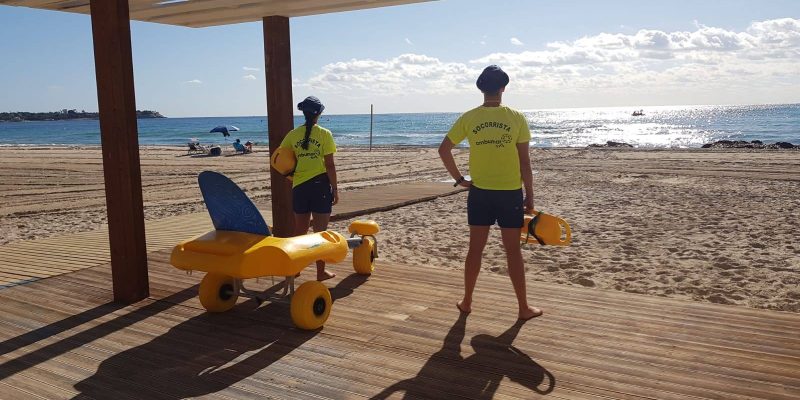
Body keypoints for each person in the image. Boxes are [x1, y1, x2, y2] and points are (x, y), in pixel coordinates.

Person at [438, 65, 542, 321]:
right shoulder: (516, 117)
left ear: (481, 89)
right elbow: (525, 162)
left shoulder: (469, 117)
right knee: (513, 251)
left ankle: (467, 302)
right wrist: (530, 195)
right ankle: (523, 308)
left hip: (480, 193)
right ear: (503, 88)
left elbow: (444, 149)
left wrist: (459, 179)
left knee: (475, 249)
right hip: (509, 193)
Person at [279, 96, 339, 281]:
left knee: (300, 231)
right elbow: (330, 165)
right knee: (320, 233)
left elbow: (281, 159)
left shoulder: (292, 135)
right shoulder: (324, 134)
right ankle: (320, 273)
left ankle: (295, 268)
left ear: (304, 113)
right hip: (320, 187)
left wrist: (290, 177)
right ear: (319, 113)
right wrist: (335, 189)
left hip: (299, 188)